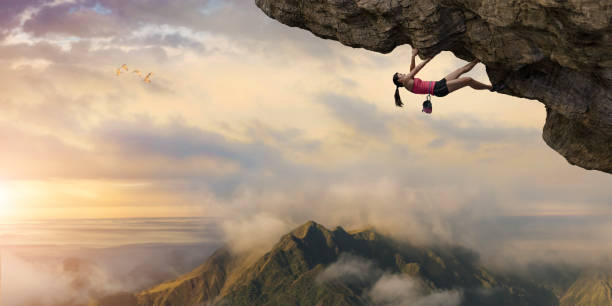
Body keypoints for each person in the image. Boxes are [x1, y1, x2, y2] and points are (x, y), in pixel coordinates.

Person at [393, 49, 504, 112]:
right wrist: (429, 58)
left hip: (438, 84)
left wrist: (413, 56)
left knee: (461, 70)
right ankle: (492, 88)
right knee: (468, 80)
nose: (403, 74)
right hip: (438, 89)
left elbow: (412, 70)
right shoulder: (407, 81)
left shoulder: (408, 81)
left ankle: (479, 58)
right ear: (400, 81)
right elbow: (417, 69)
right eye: (400, 75)